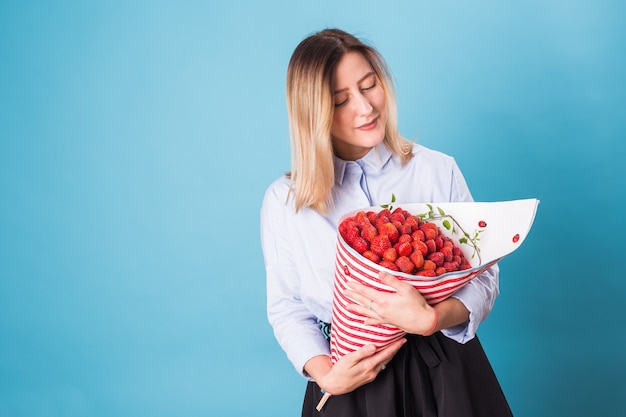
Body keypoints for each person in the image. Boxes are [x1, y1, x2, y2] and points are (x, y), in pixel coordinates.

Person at [260, 28, 513, 417]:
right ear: (314, 114)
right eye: (341, 100)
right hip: (348, 377)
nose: (365, 107)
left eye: (369, 85)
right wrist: (325, 375)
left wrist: (433, 318)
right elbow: (287, 307)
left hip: (444, 368)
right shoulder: (284, 201)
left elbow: (482, 275)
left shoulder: (436, 169)